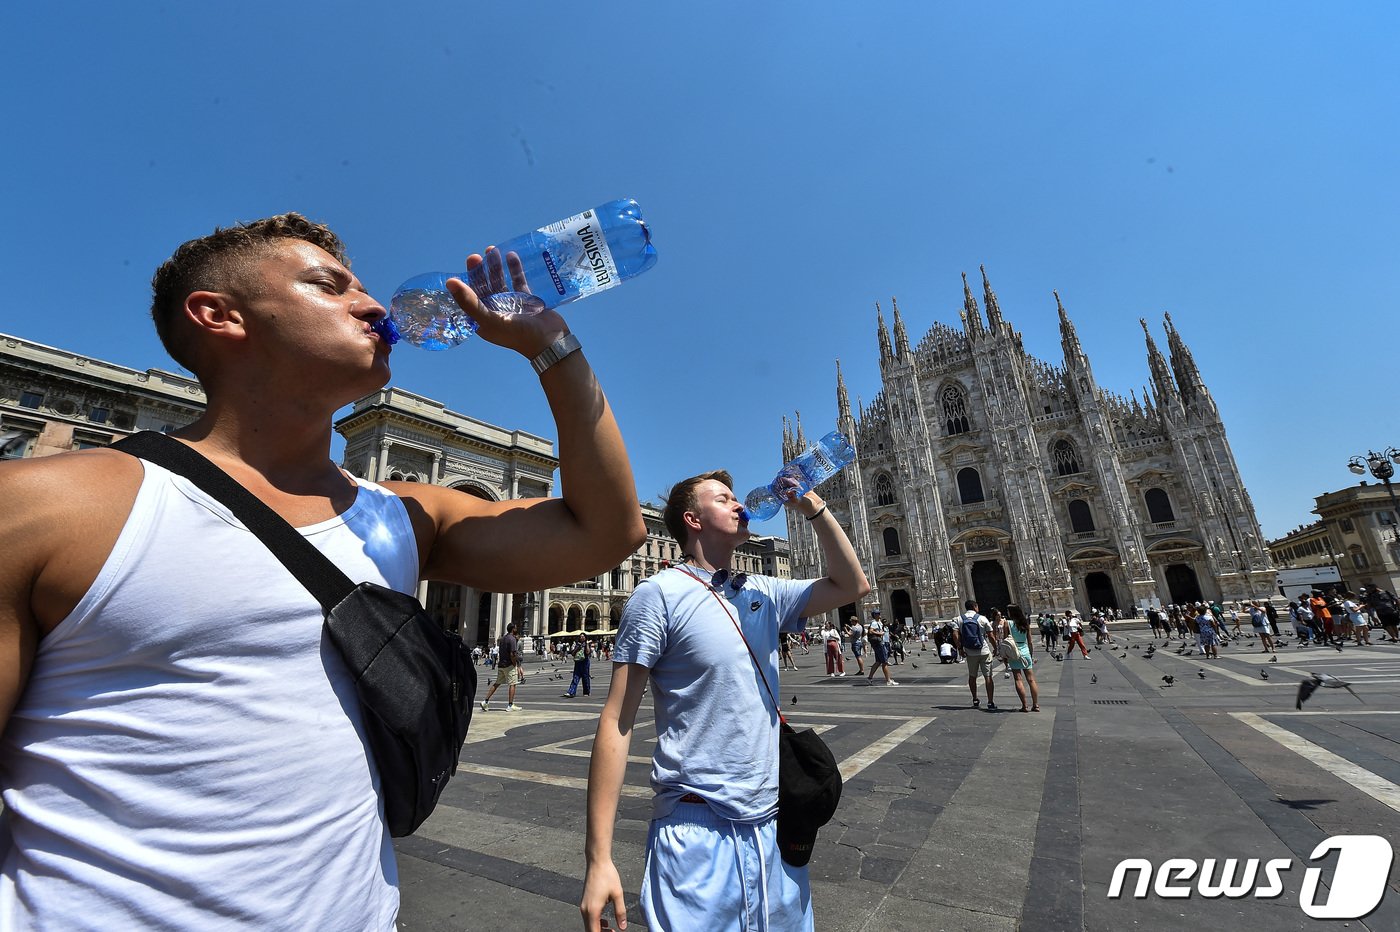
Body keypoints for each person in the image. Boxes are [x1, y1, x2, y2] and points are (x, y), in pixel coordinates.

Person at [0, 213, 646, 928]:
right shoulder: (48, 506)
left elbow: (606, 532)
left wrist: (552, 345)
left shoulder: (401, 515)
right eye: (329, 286)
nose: (371, 303)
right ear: (219, 315)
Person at [580, 471, 869, 932]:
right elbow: (617, 720)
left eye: (737, 497)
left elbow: (852, 586)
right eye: (723, 498)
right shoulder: (658, 596)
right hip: (696, 830)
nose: (739, 504)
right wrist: (599, 859)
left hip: (774, 827)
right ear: (693, 520)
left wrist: (813, 509)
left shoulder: (762, 591)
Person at [953, 599, 997, 709]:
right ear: (975, 607)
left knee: (972, 676)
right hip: (984, 651)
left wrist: (960, 648)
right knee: (988, 676)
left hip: (970, 652)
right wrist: (996, 648)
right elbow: (991, 635)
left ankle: (975, 699)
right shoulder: (982, 618)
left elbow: (955, 635)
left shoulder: (959, 619)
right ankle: (990, 702)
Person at [481, 621, 526, 711]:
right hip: (509, 665)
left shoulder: (503, 638)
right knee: (512, 684)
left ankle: (485, 701)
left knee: (497, 683)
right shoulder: (512, 639)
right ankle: (510, 705)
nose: (516, 629)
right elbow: (512, 654)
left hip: (501, 664)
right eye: (516, 628)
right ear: (513, 629)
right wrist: (514, 663)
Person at [1004, 605, 1040, 712]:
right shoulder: (1025, 623)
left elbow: (1006, 640)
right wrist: (1030, 655)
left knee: (1018, 679)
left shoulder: (1008, 623)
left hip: (1014, 652)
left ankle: (1024, 706)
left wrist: (1005, 655)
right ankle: (1036, 705)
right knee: (1031, 679)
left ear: (1011, 612)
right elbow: (1030, 641)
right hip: (1025, 651)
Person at [866, 611, 898, 686]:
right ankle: (888, 680)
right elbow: (870, 631)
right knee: (884, 662)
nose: (880, 615)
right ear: (875, 615)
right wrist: (879, 633)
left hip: (878, 643)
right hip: (879, 643)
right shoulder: (874, 622)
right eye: (878, 614)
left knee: (878, 662)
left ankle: (869, 678)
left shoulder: (878, 622)